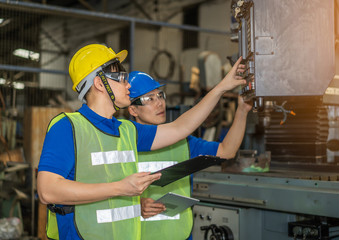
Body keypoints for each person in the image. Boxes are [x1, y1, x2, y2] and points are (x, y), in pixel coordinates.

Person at [36, 43, 246, 240]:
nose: (128, 84)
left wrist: (221, 88)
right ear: (100, 83)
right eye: (120, 77)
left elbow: (181, 127)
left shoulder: (127, 130)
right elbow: (47, 191)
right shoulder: (68, 127)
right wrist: (120, 188)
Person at [127, 71, 252, 240]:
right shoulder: (124, 145)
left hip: (181, 235)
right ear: (133, 109)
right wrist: (136, 205)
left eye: (160, 95)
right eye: (149, 99)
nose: (159, 103)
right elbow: (106, 193)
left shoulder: (182, 142)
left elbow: (227, 151)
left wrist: (242, 111)